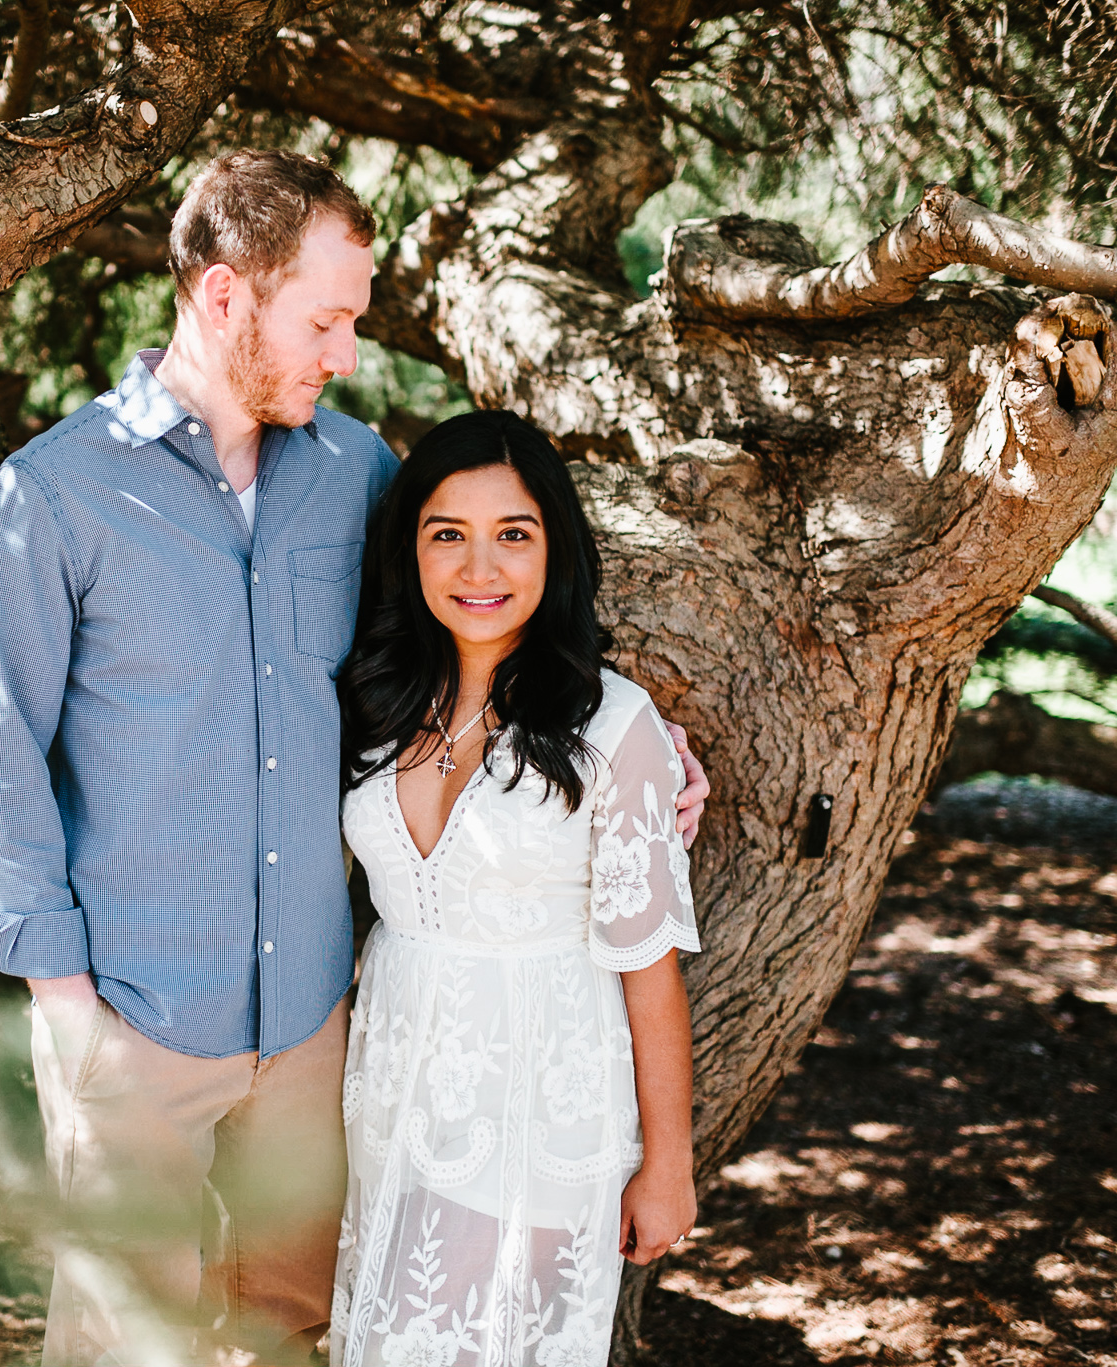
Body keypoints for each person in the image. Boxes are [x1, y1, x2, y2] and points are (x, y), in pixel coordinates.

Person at [0, 150, 708, 1366]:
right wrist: (66, 1010)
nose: (345, 352)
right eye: (326, 319)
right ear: (220, 297)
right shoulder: (49, 500)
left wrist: (630, 734)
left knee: (295, 1326)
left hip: (315, 1014)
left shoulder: (354, 476)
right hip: (132, 1014)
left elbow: (466, 619)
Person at [329, 409, 699, 1367]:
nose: (478, 568)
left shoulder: (614, 726)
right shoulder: (375, 704)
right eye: (447, 534)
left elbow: (649, 971)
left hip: (540, 1105)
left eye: (513, 536)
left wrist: (670, 1164)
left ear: (555, 551)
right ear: (409, 550)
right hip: (391, 1100)